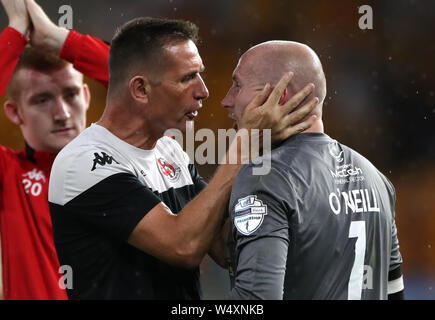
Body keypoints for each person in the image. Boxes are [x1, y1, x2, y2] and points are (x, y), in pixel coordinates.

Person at [47, 16, 319, 299]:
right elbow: (183, 246)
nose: (204, 91)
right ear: (141, 89)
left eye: (200, 74)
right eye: (187, 77)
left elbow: (223, 246)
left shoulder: (170, 150)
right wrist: (247, 143)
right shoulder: (83, 162)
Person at [222, 40, 404, 300]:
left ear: (279, 96)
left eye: (237, 85)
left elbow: (256, 300)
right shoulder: (376, 179)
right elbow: (395, 292)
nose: (225, 100)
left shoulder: (266, 177)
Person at [0, 0, 109, 299]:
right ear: (14, 112)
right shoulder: (9, 174)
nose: (61, 113)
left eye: (71, 94)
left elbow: (152, 90)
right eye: (42, 100)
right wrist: (15, 33)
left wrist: (57, 38)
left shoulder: (124, 161)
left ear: (86, 96)